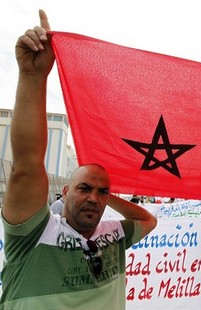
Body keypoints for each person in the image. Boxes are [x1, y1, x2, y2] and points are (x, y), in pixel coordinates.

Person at [0, 10, 157, 309]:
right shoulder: (35, 233)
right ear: (65, 192)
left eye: (102, 191)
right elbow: (26, 167)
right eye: (84, 188)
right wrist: (33, 77)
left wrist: (105, 195)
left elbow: (148, 220)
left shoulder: (114, 236)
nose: (94, 198)